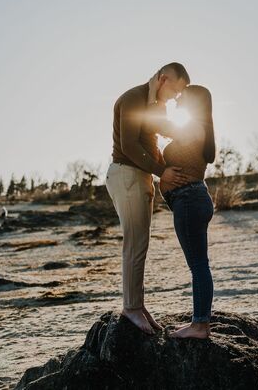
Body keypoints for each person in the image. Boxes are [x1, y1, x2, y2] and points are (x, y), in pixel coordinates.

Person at [105, 63, 191, 335]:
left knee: (139, 245)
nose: (176, 98)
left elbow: (163, 132)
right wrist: (161, 173)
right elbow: (130, 145)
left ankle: (137, 305)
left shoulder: (154, 104)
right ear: (163, 79)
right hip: (127, 175)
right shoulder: (133, 98)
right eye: (176, 90)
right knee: (134, 244)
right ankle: (131, 308)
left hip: (138, 177)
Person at [145, 81, 216, 339]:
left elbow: (160, 126)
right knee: (199, 264)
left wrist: (155, 100)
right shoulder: (197, 128)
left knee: (198, 265)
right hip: (192, 200)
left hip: (189, 201)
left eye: (182, 96)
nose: (178, 99)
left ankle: (199, 326)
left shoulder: (194, 126)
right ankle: (201, 323)